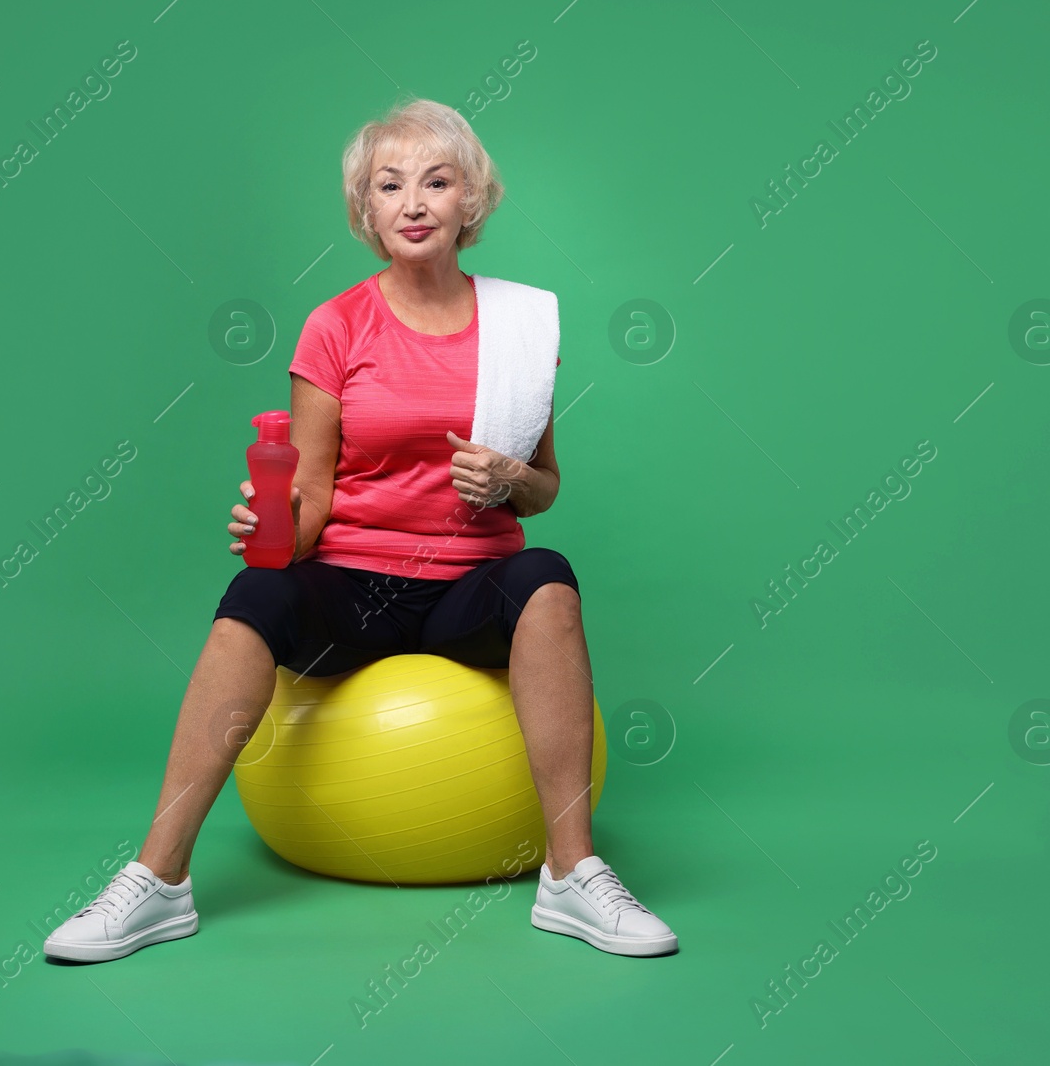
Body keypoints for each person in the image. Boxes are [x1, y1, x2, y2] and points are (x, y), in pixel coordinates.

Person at [43, 98, 677, 963]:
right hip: (354, 587)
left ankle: (572, 876)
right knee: (254, 590)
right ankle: (157, 882)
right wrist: (270, 524)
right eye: (390, 185)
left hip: (469, 590)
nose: (413, 201)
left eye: (436, 180)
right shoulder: (336, 325)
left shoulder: (522, 326)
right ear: (367, 212)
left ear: (469, 202)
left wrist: (510, 477)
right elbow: (305, 496)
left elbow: (544, 488)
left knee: (551, 574)